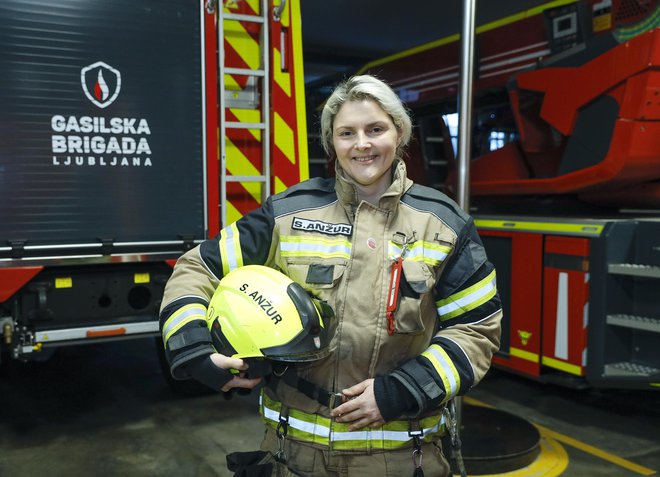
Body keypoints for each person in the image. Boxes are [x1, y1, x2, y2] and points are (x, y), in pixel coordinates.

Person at [159, 74, 502, 477]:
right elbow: (197, 267)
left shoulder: (444, 224)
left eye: (376, 129)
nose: (362, 144)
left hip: (400, 459)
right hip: (292, 456)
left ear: (399, 132)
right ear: (332, 142)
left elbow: (476, 328)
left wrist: (404, 389)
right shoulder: (288, 213)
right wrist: (194, 348)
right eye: (346, 133)